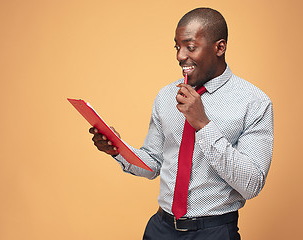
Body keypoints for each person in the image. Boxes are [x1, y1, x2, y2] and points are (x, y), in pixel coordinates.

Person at [90, 7, 273, 240]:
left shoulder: (254, 102)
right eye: (177, 47)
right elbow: (153, 164)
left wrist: (203, 125)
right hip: (161, 229)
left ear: (220, 47)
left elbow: (251, 184)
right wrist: (117, 149)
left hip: (214, 232)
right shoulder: (166, 96)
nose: (180, 56)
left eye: (190, 47)